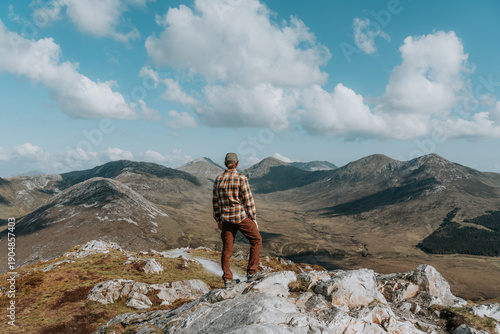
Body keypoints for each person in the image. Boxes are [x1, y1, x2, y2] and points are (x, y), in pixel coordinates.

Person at [213, 152, 262, 288]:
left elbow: (215, 202)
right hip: (240, 217)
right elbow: (248, 200)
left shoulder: (218, 179)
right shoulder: (241, 178)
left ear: (225, 164)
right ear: (237, 163)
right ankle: (252, 272)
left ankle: (228, 279)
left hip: (225, 220)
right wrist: (253, 218)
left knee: (227, 249)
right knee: (256, 240)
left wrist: (218, 219)